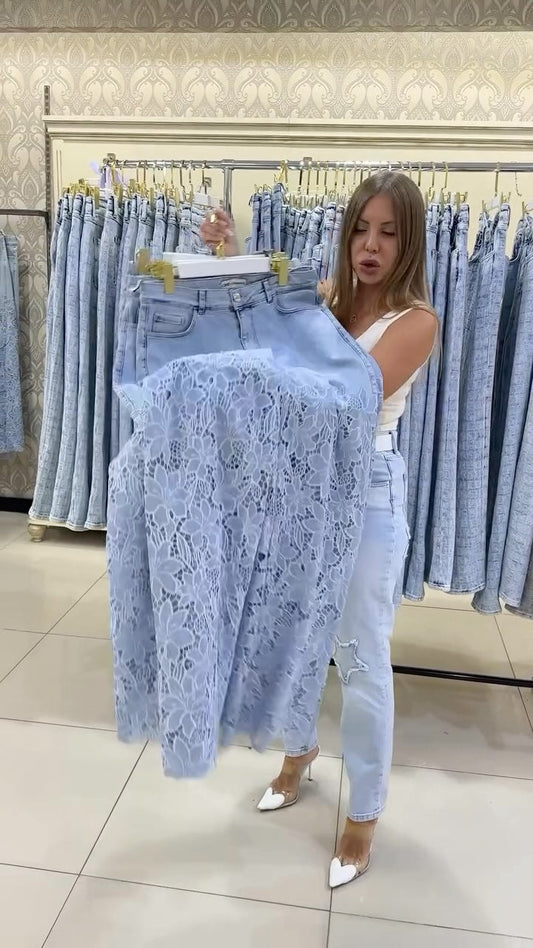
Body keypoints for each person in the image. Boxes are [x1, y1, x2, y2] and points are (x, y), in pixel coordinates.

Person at [200, 171, 437, 889]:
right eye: (361, 228)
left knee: (360, 659)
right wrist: (231, 255)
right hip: (301, 484)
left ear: (409, 242)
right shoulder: (327, 298)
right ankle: (299, 752)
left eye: (388, 232)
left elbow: (342, 397)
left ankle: (363, 815)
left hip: (365, 492)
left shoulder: (416, 322)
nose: (371, 245)